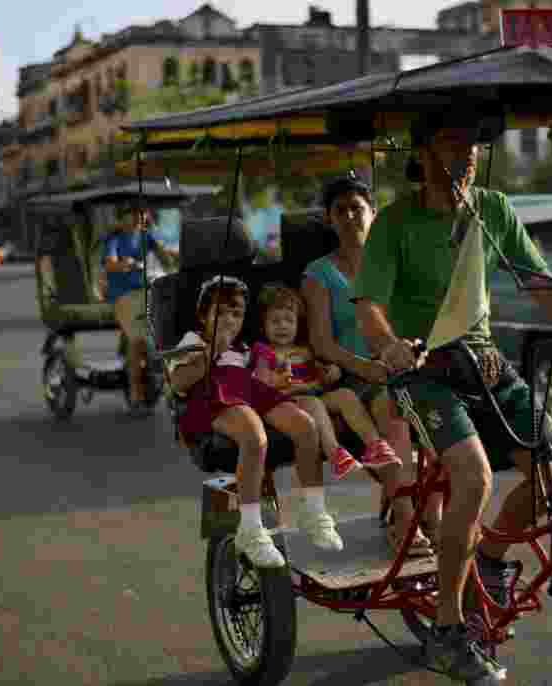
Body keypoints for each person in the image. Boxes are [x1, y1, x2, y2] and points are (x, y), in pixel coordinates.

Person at [353, 114, 552, 681]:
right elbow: (368, 306)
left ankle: (485, 559)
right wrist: (388, 345)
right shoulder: (395, 222)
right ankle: (448, 629)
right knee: (476, 476)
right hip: (424, 371)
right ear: (425, 152)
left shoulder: (493, 210)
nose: (465, 152)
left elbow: (543, 289)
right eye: (451, 137)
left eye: (473, 144)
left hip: (485, 364)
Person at [301, 175, 439, 557]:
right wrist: (367, 367)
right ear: (329, 219)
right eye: (340, 210)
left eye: (357, 208)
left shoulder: (393, 266)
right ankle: (405, 520)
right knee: (393, 411)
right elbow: (322, 343)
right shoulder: (319, 273)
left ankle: (434, 515)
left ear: (373, 214)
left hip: (399, 369)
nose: (349, 216)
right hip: (349, 376)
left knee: (443, 410)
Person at [168, 275, 344, 569]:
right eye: (221, 312)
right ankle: (250, 528)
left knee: (305, 426)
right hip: (215, 397)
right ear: (203, 315)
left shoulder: (244, 350)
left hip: (250, 391)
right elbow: (178, 381)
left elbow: (259, 382)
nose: (229, 320)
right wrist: (211, 352)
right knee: (254, 436)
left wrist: (279, 380)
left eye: (236, 314)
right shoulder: (193, 341)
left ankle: (314, 511)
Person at [250, 283, 402, 481]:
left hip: (314, 394)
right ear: (263, 325)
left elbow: (318, 379)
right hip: (287, 401)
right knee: (313, 403)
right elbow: (260, 383)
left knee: (346, 395)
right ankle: (335, 453)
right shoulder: (264, 351)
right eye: (275, 321)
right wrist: (278, 381)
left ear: (298, 323)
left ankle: (375, 445)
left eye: (289, 320)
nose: (283, 326)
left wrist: (331, 374)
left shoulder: (305, 350)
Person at [103, 207, 168, 416]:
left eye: (143, 212)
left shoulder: (147, 237)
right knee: (137, 341)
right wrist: (123, 264)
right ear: (122, 217)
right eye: (134, 212)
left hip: (147, 291)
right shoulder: (114, 240)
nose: (140, 217)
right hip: (124, 296)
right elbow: (110, 264)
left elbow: (165, 255)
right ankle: (136, 396)